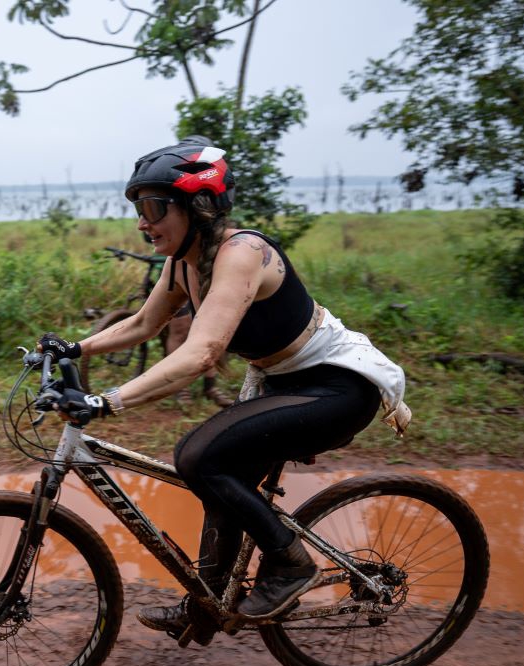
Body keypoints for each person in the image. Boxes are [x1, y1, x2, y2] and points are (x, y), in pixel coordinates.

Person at [38, 136, 410, 633]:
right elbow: (142, 325)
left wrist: (108, 400)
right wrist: (74, 349)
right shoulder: (183, 264)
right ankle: (210, 603)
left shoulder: (243, 253)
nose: (142, 222)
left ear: (200, 206)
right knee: (220, 474)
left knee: (199, 455)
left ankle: (290, 564)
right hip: (285, 384)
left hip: (337, 388)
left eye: (153, 207)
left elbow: (202, 352)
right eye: (138, 209)